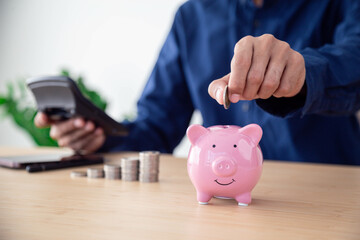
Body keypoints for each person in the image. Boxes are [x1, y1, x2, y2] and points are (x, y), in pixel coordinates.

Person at [35, 0, 360, 165]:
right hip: (222, 205)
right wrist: (100, 137)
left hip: (330, 197)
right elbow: (156, 127)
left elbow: (353, 58)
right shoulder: (192, 16)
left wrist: (303, 71)